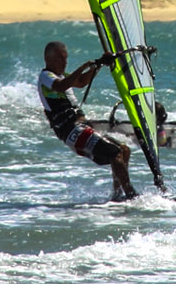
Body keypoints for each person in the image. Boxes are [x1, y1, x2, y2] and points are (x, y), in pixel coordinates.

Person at [37, 41, 138, 201]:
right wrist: (83, 66)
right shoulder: (46, 76)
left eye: (66, 59)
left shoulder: (62, 77)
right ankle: (131, 195)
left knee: (124, 150)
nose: (64, 63)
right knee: (115, 152)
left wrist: (98, 65)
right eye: (60, 59)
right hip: (71, 130)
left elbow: (82, 81)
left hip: (81, 127)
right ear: (48, 59)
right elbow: (61, 86)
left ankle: (118, 195)